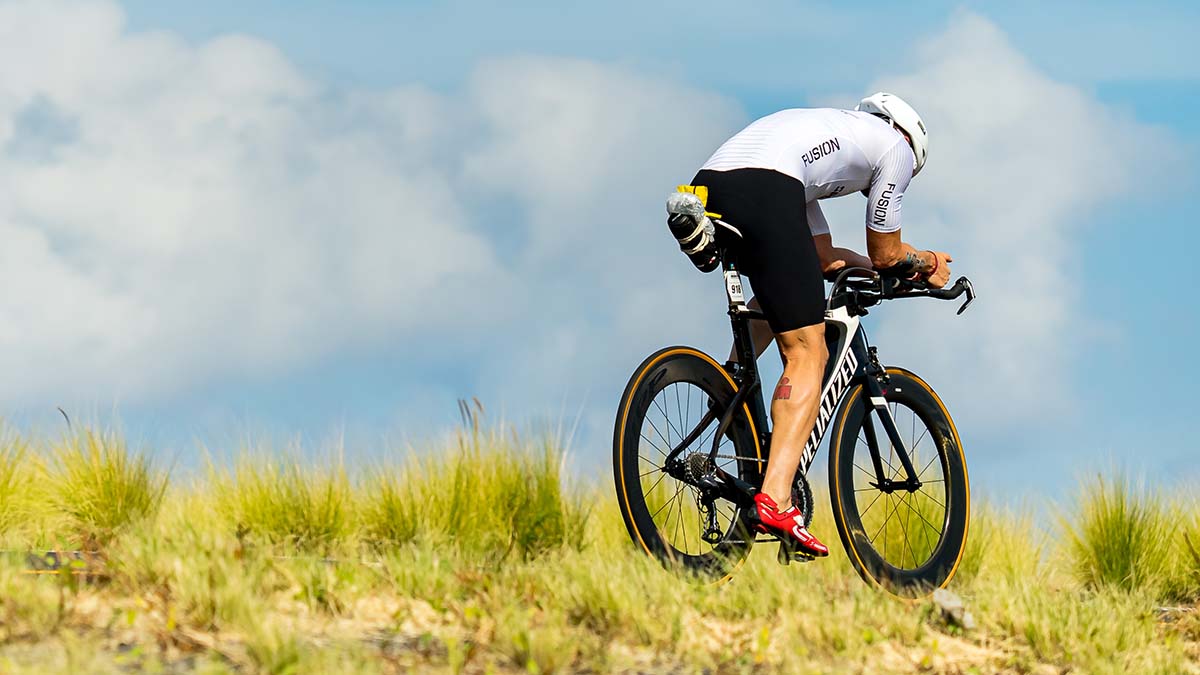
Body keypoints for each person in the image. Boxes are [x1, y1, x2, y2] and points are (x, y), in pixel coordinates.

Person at [670, 93, 952, 558]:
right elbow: (886, 251)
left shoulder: (820, 136)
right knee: (808, 352)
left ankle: (727, 385)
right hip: (768, 190)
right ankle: (776, 498)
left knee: (785, 293)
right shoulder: (895, 148)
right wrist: (924, 262)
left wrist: (888, 272)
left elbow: (822, 258)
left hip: (713, 183)